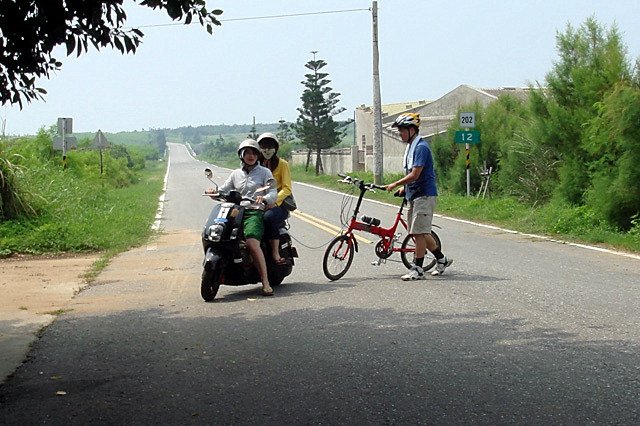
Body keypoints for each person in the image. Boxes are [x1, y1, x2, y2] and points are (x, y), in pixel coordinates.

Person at [384, 113, 453, 280]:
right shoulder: (411, 147)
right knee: (417, 232)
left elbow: (415, 174)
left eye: (402, 130)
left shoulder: (421, 147)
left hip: (424, 195)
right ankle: (441, 259)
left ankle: (418, 269)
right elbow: (412, 174)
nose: (400, 133)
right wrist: (404, 189)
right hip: (414, 194)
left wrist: (396, 184)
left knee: (419, 233)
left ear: (412, 130)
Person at [207, 139, 277, 296]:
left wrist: (265, 199)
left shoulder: (264, 172)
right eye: (247, 153)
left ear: (258, 155)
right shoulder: (235, 174)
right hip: (236, 211)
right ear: (241, 155)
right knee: (220, 233)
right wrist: (214, 192)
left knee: (252, 242)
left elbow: (273, 192)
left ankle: (265, 282)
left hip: (253, 211)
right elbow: (223, 190)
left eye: (253, 153)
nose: (250, 156)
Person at [257, 132, 294, 265]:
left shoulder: (282, 164)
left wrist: (274, 202)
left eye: (270, 146)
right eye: (263, 146)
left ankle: (275, 253)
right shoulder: (255, 165)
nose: (266, 150)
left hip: (278, 204)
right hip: (257, 202)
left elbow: (287, 188)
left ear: (276, 148)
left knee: (268, 217)